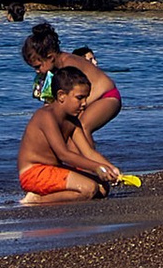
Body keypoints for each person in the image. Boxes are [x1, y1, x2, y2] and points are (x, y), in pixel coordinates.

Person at [17, 66, 137, 203]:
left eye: (86, 98)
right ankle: (37, 199)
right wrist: (96, 167)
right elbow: (63, 154)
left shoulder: (73, 121)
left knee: (102, 189)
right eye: (79, 98)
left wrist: (110, 168)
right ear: (61, 96)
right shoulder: (46, 117)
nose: (84, 104)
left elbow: (88, 152)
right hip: (33, 173)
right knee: (89, 189)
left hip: (54, 169)